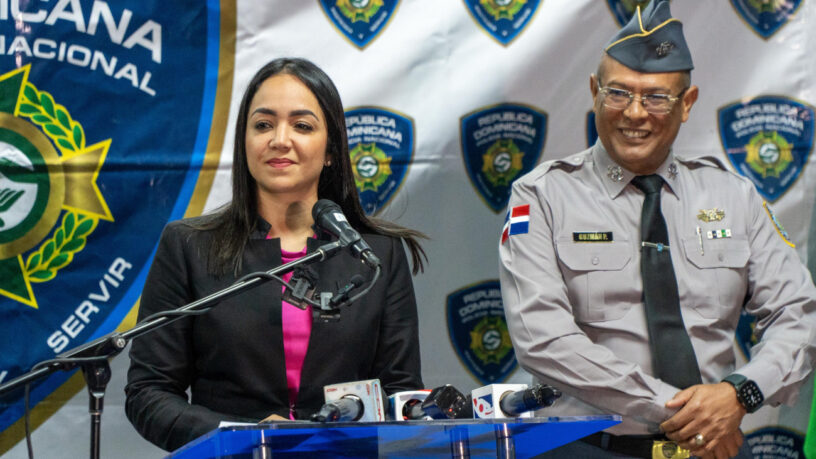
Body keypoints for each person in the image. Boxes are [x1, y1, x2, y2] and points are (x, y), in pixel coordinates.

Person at [499, 2, 816, 458]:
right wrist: (690, 415)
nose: (634, 113)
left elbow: (799, 314)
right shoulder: (540, 196)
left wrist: (740, 393)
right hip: (590, 446)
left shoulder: (734, 196)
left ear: (687, 104)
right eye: (618, 93)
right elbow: (544, 341)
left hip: (715, 445)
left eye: (656, 97)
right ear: (594, 91)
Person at [125, 58, 426, 452]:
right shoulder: (188, 246)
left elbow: (402, 394)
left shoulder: (375, 255)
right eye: (263, 125)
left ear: (331, 150)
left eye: (302, 126)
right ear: (245, 142)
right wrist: (246, 436)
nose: (280, 140)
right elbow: (149, 393)